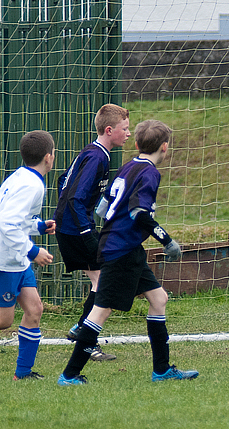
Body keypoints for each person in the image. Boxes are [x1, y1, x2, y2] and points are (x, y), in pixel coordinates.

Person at [58, 120, 198, 385]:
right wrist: (166, 241)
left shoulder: (129, 166)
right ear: (165, 147)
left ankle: (162, 370)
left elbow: (104, 205)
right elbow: (139, 212)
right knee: (100, 311)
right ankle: (69, 375)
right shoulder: (149, 173)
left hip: (127, 248)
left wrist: (113, 222)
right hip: (120, 251)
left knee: (159, 299)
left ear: (136, 144)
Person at [55, 104, 131, 362]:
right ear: (109, 130)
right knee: (105, 282)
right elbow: (75, 197)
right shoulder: (97, 157)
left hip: (72, 226)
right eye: (125, 129)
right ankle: (86, 338)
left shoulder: (94, 152)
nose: (128, 134)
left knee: (101, 280)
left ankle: (82, 330)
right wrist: (87, 230)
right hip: (75, 230)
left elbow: (62, 181)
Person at [0, 130, 57, 381]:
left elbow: (18, 221)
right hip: (7, 259)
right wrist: (33, 251)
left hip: (17, 259)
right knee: (4, 321)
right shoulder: (31, 184)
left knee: (34, 309)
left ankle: (22, 374)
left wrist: (39, 226)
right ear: (48, 157)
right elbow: (7, 223)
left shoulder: (23, 176)